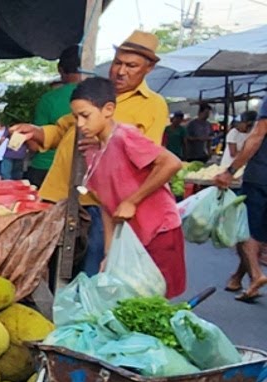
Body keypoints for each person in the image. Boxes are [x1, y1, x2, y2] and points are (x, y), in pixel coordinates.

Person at [11, 30, 169, 277]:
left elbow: (149, 158)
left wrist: (104, 144)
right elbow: (63, 129)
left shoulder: (153, 105)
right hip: (60, 195)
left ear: (148, 68)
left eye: (131, 66)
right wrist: (36, 131)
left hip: (97, 204)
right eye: (118, 63)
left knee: (90, 269)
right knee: (51, 267)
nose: (121, 71)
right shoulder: (97, 91)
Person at [73, 77, 186, 298]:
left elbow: (172, 163)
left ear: (108, 109)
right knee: (130, 298)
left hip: (159, 230)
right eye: (75, 117)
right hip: (131, 238)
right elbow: (107, 207)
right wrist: (109, 254)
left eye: (85, 116)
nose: (79, 124)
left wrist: (132, 200)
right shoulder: (93, 152)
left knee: (154, 299)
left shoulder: (125, 135)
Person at [217, 106, 267, 300]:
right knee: (259, 233)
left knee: (243, 228)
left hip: (260, 176)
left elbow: (257, 136)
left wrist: (230, 171)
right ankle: (237, 278)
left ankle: (256, 275)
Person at [27, 46, 85, 188]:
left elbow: (34, 145)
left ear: (60, 69)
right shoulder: (97, 98)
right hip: (80, 170)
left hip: (45, 169)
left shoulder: (48, 99)